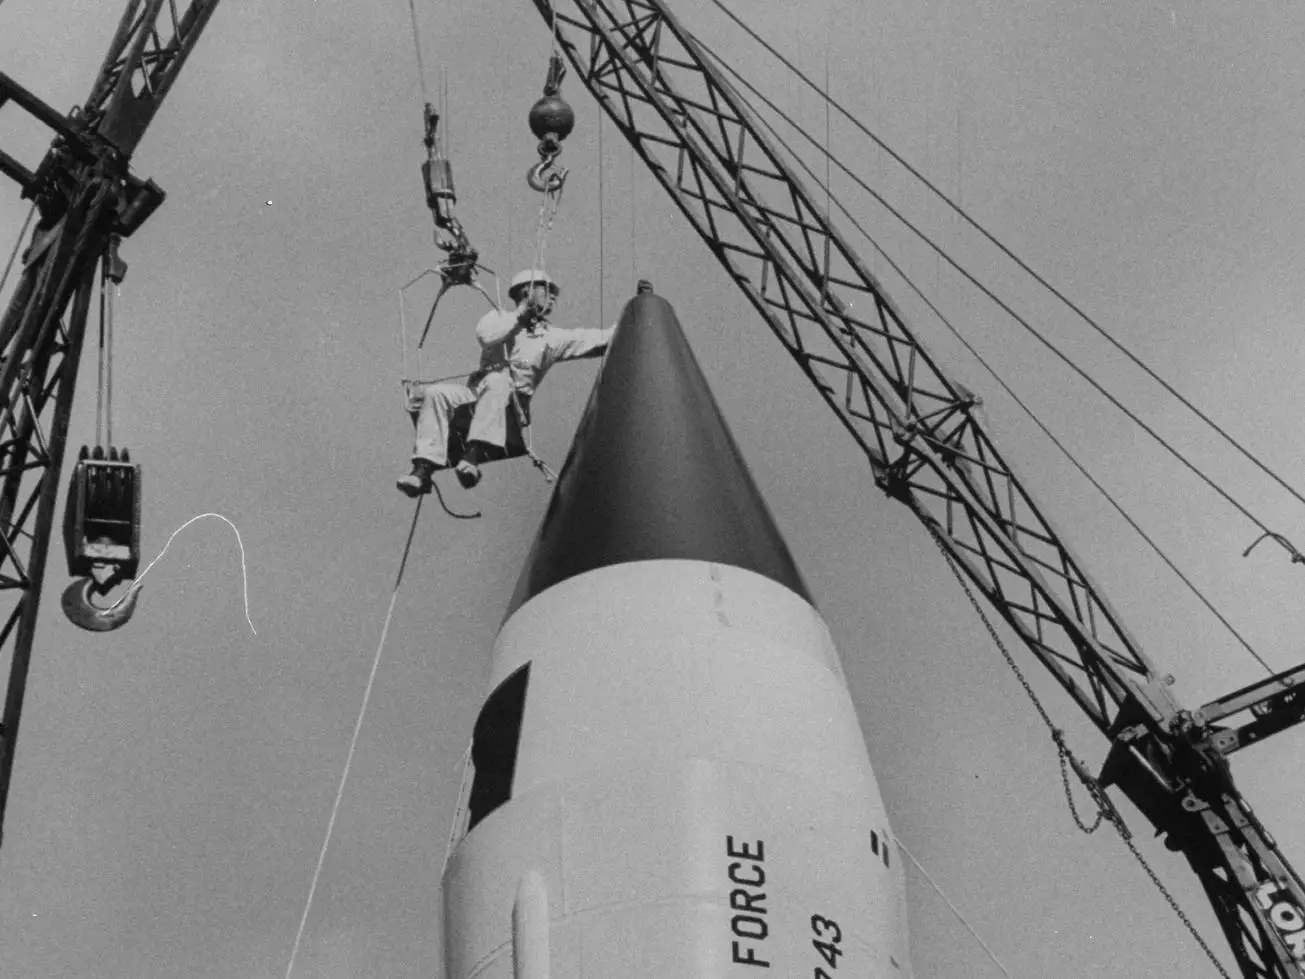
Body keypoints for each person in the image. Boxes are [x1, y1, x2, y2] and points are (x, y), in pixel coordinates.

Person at [398, 269, 614, 494]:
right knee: (433, 394)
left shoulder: (551, 337)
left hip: (512, 404)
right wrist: (520, 316)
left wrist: (637, 311)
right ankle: (423, 469)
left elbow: (597, 340)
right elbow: (487, 336)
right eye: (547, 290)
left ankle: (472, 456)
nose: (553, 297)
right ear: (526, 291)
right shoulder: (498, 318)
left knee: (498, 380)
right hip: (477, 394)